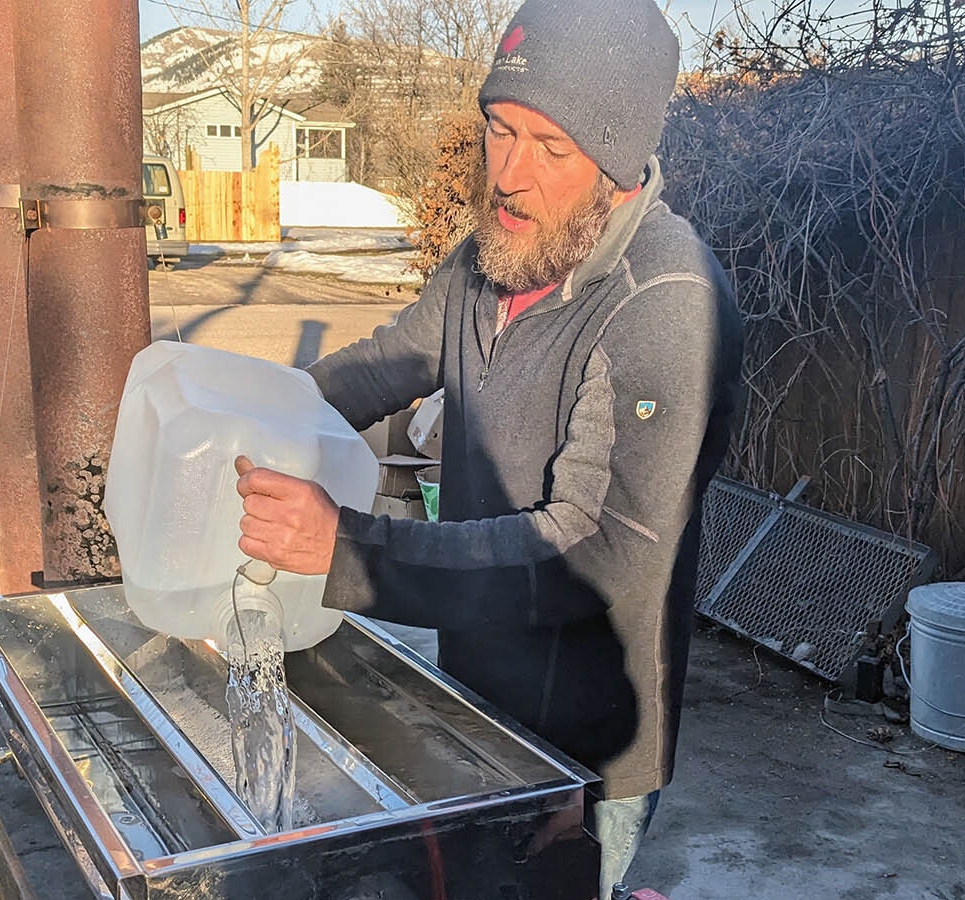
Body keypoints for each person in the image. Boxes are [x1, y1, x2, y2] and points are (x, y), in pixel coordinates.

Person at [234, 0, 742, 894]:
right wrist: (255, 414)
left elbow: (598, 544)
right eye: (499, 130)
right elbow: (392, 358)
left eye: (550, 148)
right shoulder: (492, 254)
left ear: (618, 167)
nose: (507, 174)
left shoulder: (664, 298)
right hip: (473, 697)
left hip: (585, 744)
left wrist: (347, 550)